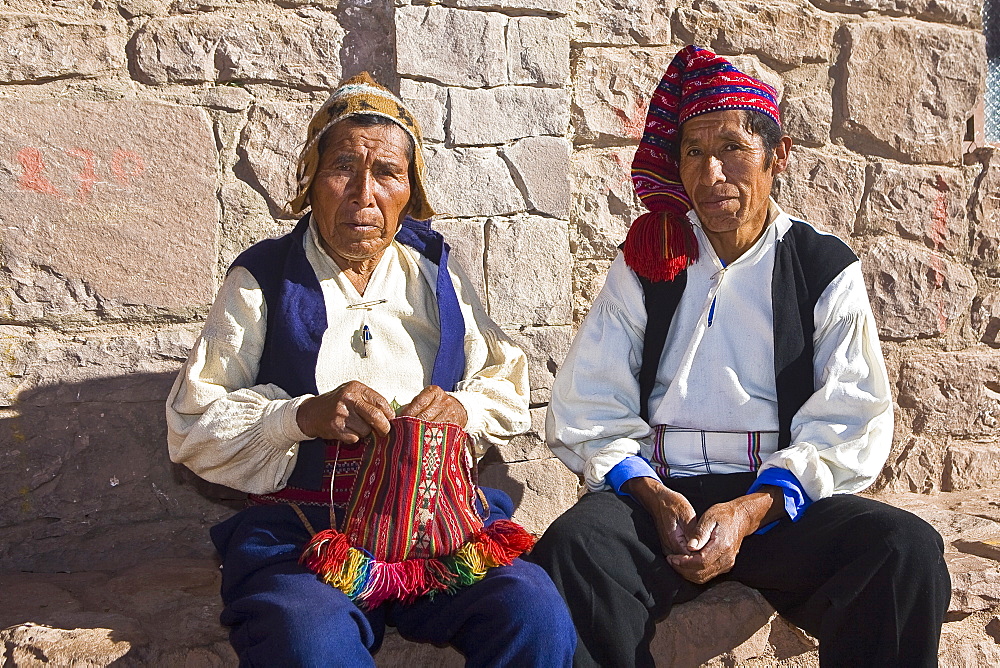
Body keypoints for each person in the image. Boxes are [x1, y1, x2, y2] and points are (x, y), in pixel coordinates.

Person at [527, 46, 950, 667]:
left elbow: (849, 417)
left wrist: (750, 510)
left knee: (902, 551)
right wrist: (652, 494)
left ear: (777, 157)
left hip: (775, 500)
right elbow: (589, 402)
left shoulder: (820, 266)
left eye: (732, 148)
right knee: (573, 550)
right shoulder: (650, 260)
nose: (712, 174)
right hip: (660, 497)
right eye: (693, 154)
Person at [167, 72, 575, 667]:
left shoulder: (437, 273)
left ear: (410, 189)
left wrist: (461, 409)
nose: (365, 193)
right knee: (309, 640)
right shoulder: (262, 277)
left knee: (532, 612)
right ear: (310, 181)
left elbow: (504, 382)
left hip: (439, 526)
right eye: (342, 168)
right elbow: (192, 423)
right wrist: (299, 417)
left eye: (387, 172)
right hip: (307, 532)